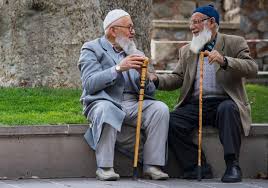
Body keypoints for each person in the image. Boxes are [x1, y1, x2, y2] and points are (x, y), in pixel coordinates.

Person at [152, 5, 258, 183]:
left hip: (225, 101)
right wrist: (156, 80)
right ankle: (196, 166)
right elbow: (177, 78)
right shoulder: (188, 50)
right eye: (190, 22)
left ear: (211, 23)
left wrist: (225, 61)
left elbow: (252, 68)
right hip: (196, 104)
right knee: (171, 121)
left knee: (228, 110)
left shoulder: (234, 42)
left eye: (196, 22)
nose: (191, 27)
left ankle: (233, 165)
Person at [78, 9, 169, 181]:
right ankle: (105, 167)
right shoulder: (92, 48)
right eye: (129, 27)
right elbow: (90, 84)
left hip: (133, 103)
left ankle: (152, 166)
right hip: (104, 100)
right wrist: (118, 68)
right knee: (107, 108)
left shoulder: (137, 53)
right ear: (113, 30)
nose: (133, 32)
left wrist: (145, 77)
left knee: (160, 109)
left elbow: (149, 92)